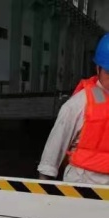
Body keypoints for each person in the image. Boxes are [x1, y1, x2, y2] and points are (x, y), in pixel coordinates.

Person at [38, 33, 109, 184]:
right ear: (97, 68)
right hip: (83, 184)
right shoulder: (79, 104)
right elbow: (54, 149)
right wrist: (42, 191)